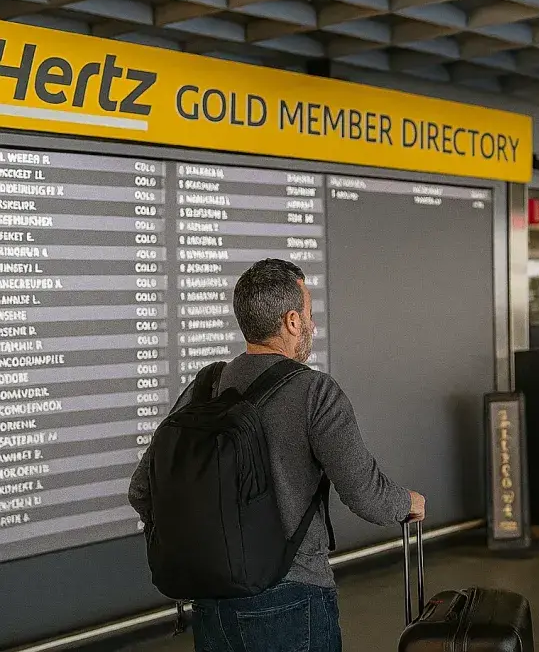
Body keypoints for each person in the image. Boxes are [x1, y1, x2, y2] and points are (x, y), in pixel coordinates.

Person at [128, 259, 426, 652]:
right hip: (291, 597)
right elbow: (365, 495)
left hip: (211, 603)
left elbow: (140, 491)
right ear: (290, 321)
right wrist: (407, 503)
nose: (312, 324)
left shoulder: (205, 385)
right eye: (308, 313)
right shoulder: (315, 392)